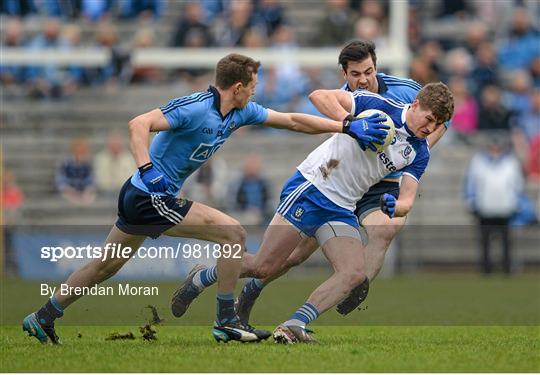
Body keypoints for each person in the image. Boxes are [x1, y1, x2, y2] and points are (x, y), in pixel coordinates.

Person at [22, 53, 386, 345]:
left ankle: (42, 317)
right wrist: (147, 167)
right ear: (239, 87)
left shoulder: (241, 111)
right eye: (254, 86)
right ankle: (226, 320)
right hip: (149, 194)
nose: (256, 93)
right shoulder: (195, 108)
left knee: (105, 266)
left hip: (142, 198)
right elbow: (138, 124)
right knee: (234, 233)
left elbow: (291, 119)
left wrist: (344, 126)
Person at [174, 40, 451, 326]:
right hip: (321, 185)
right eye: (355, 74)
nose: (363, 80)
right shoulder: (361, 99)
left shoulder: (408, 94)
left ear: (376, 67)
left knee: (370, 250)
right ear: (345, 74)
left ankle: (303, 320)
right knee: (280, 260)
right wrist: (349, 123)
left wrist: (411, 151)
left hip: (367, 189)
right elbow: (320, 99)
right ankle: (220, 280)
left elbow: (437, 123)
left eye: (368, 71)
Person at [464, 137, 524, 274]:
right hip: (484, 209)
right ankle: (486, 270)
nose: (495, 151)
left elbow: (517, 186)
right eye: (492, 148)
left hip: (506, 209)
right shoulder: (478, 162)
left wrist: (517, 204)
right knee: (485, 243)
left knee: (506, 243)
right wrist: (472, 203)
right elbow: (470, 184)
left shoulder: (511, 162)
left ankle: (507, 269)